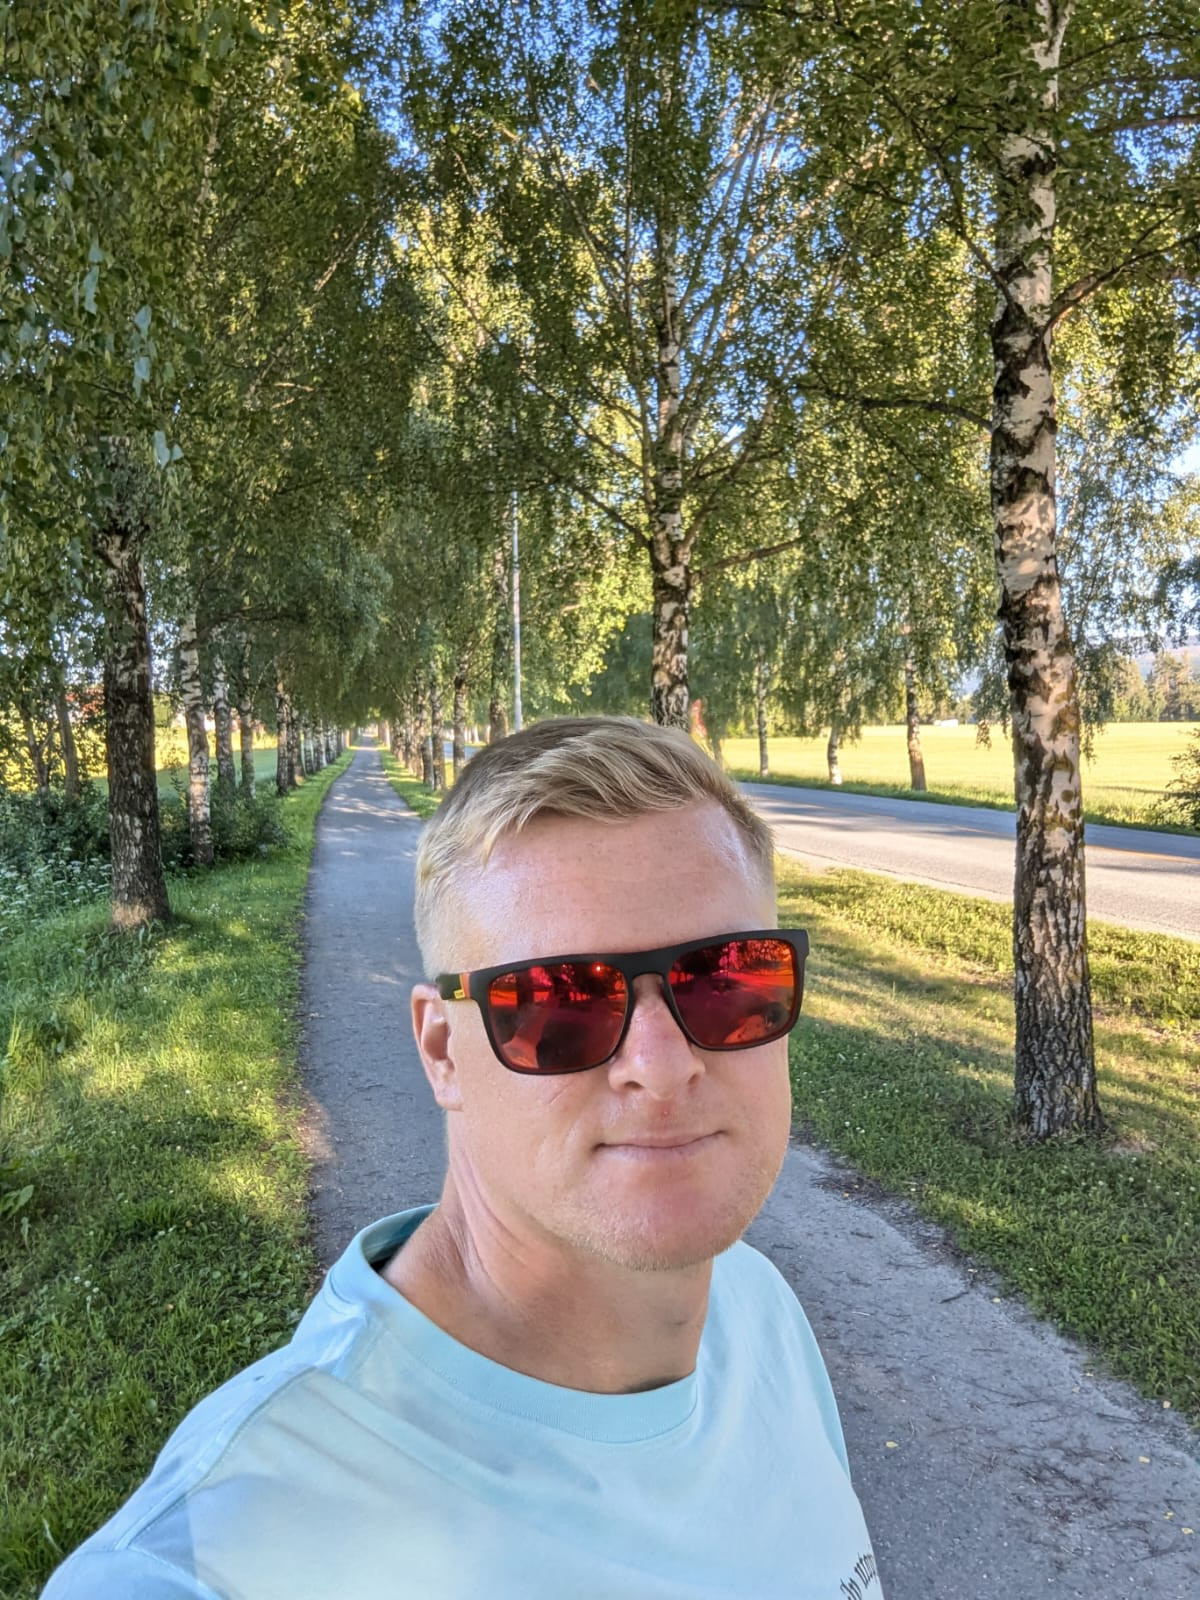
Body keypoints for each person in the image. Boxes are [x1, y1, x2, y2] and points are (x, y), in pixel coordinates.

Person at [45, 716, 880, 1598]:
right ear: (442, 1050)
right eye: (558, 1003)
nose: (662, 1065)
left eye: (725, 979)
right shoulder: (216, 1560)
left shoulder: (758, 1310)